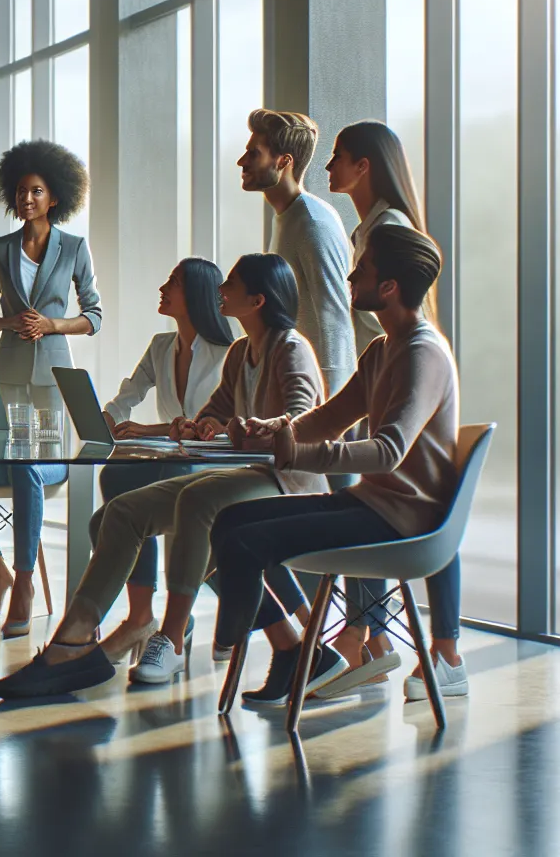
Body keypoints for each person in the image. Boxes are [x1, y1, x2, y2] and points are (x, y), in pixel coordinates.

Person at [0, 254, 331, 698]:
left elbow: (301, 416)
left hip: (290, 483)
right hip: (248, 475)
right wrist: (197, 424)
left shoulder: (291, 347)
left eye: (230, 284)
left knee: (199, 506)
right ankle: (74, 642)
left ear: (258, 300)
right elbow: (217, 411)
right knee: (120, 512)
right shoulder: (242, 353)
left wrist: (264, 427)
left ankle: (167, 636)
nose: (220, 289)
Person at [210, 224, 465, 708]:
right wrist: (271, 431)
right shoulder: (383, 349)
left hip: (400, 521)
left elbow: (390, 450)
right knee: (227, 520)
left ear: (388, 287)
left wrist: (298, 454)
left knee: (243, 539)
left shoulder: (422, 353)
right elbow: (327, 419)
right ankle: (283, 649)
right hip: (370, 505)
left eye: (362, 269)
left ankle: (250, 644)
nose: (350, 277)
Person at [0, 139, 101, 639]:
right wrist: (10, 321)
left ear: (55, 197)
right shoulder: (0, 250)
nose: (26, 198)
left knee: (30, 464)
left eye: (37, 191)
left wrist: (51, 327)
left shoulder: (73, 248)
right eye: (20, 191)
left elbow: (94, 316)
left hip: (53, 384)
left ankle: (25, 584)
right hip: (5, 379)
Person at [316, 121, 455, 696]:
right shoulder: (367, 228)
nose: (330, 169)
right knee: (383, 498)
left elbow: (382, 319)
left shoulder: (386, 230)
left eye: (339, 157)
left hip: (397, 387)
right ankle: (373, 637)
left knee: (414, 499)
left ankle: (409, 644)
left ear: (365, 165)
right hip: (382, 384)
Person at [90, 258, 236, 662]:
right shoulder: (160, 347)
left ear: (197, 295)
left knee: (166, 480)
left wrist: (146, 431)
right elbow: (127, 396)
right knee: (117, 478)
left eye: (173, 281)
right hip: (176, 455)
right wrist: (103, 421)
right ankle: (142, 615)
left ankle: (186, 613)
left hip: (216, 460)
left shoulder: (229, 351)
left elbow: (215, 422)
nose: (163, 287)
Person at [240, 109, 355, 396]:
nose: (241, 162)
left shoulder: (313, 222)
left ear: (284, 162)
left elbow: (335, 317)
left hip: (316, 402)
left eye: (254, 154)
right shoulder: (286, 218)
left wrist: (329, 413)